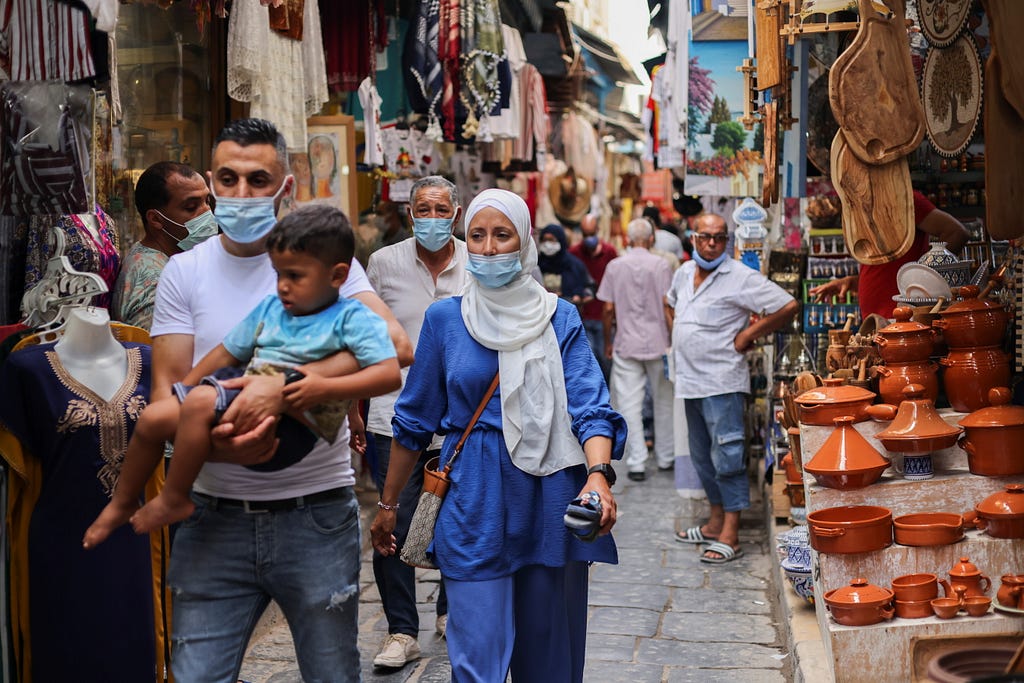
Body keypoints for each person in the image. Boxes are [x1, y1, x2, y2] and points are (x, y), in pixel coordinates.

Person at [145, 117, 412, 682]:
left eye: (258, 179)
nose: (241, 194)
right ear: (212, 183)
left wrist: (283, 384)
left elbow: (395, 344)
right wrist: (223, 447)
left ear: (285, 188)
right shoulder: (183, 274)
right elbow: (171, 394)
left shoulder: (321, 263)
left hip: (314, 514)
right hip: (212, 516)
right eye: (228, 178)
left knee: (331, 674)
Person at [370, 188, 626, 683]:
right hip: (475, 498)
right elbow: (414, 420)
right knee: (475, 659)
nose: (487, 249)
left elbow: (590, 406)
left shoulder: (559, 317)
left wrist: (597, 477)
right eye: (478, 236)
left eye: (501, 236)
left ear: (524, 242)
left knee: (548, 659)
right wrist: (387, 505)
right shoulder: (445, 320)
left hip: (550, 497)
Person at [85, 205, 401, 547]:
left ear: (337, 277)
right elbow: (224, 353)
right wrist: (182, 392)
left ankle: (175, 496)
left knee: (198, 404)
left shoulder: (351, 318)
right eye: (278, 274)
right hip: (246, 400)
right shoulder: (271, 309)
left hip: (297, 427)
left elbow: (388, 374)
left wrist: (320, 386)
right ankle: (123, 501)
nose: (282, 286)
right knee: (154, 417)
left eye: (295, 276)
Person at [365, 175, 466, 667]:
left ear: (456, 213)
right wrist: (355, 410)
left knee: (459, 514)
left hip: (463, 419)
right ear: (410, 214)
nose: (431, 217)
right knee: (393, 520)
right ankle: (401, 629)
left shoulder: (478, 263)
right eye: (422, 209)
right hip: (393, 413)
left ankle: (453, 610)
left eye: (439, 209)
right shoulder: (384, 264)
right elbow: (363, 337)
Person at [665, 213, 798, 564]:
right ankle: (714, 522)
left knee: (728, 456)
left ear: (728, 241)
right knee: (702, 456)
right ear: (693, 238)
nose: (712, 243)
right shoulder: (682, 273)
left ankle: (731, 534)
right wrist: (678, 336)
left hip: (721, 380)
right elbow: (669, 303)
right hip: (689, 382)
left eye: (719, 238)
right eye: (706, 236)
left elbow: (788, 305)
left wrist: (747, 335)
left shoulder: (739, 277)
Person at [808, 191, 970, 318]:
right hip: (880, 324)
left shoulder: (903, 198)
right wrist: (852, 282)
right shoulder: (864, 207)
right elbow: (886, 272)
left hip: (903, 322)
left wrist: (922, 278)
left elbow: (956, 232)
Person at [598, 218, 675, 482]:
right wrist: (673, 340)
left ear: (629, 240)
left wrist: (609, 341)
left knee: (629, 405)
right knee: (664, 402)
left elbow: (607, 309)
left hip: (626, 343)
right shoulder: (662, 265)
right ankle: (665, 456)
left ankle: (637, 462)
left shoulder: (615, 266)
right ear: (652, 239)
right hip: (659, 343)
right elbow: (668, 306)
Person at [112, 161, 217, 330]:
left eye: (207, 201)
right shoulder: (156, 284)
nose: (207, 213)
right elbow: (156, 352)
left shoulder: (167, 260)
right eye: (191, 207)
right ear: (156, 219)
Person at [569, 213, 618, 378]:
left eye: (591, 233)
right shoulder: (574, 254)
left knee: (606, 361)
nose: (589, 238)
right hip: (583, 316)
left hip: (604, 317)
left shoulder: (610, 253)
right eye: (585, 234)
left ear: (598, 230)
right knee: (589, 362)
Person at [537, 223, 594, 304]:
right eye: (544, 240)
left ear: (561, 241)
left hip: (568, 309)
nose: (547, 244)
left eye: (551, 240)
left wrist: (580, 297)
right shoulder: (536, 265)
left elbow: (589, 287)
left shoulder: (574, 265)